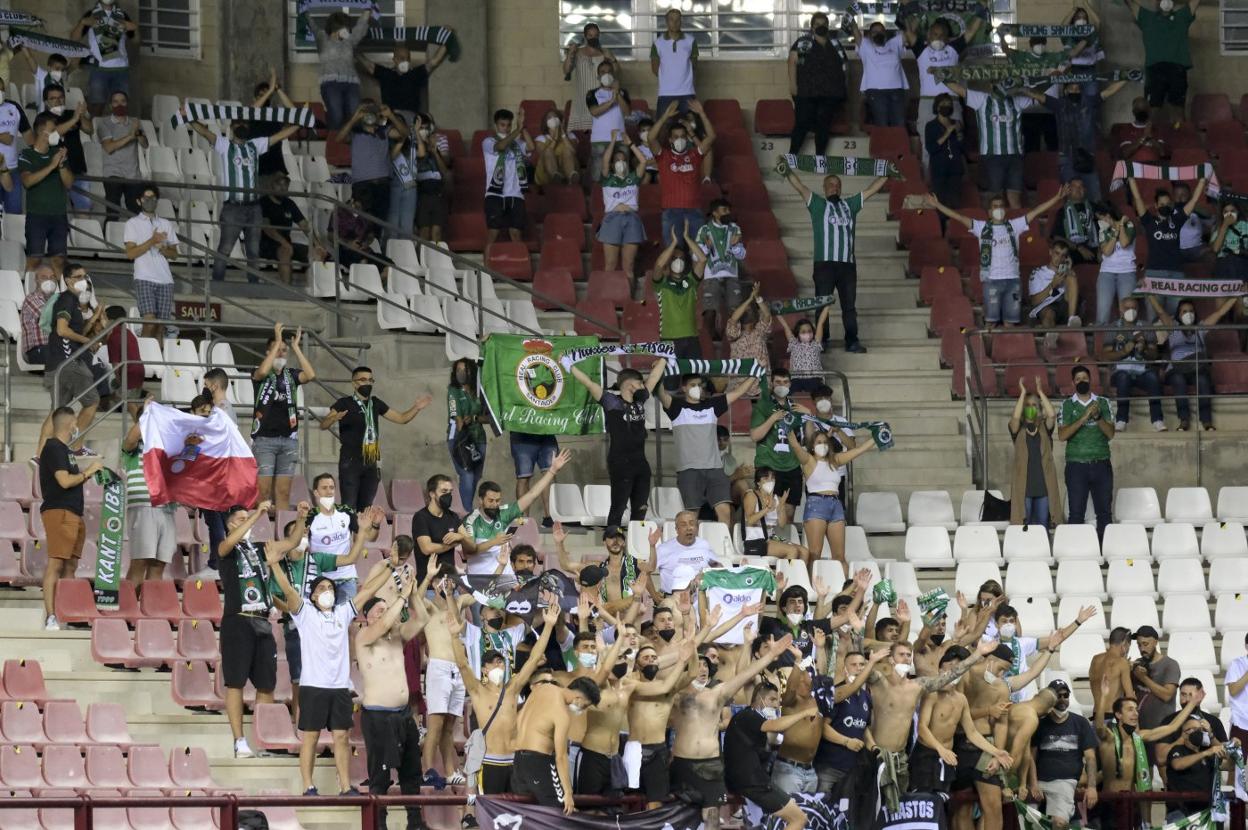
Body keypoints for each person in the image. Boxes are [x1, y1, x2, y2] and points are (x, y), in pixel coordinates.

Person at [266, 531, 389, 796]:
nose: (328, 592)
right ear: (312, 596)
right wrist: (274, 563)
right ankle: (308, 785)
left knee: (342, 737)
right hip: (313, 686)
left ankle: (345, 786)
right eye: (322, 589)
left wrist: (390, 565)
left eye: (331, 589)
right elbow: (287, 589)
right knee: (309, 737)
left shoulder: (344, 612)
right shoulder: (304, 613)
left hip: (339, 687)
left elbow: (368, 589)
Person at [674, 635, 794, 829]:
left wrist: (770, 655)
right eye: (697, 665)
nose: (702, 669)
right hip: (680, 762)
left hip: (710, 764)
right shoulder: (674, 694)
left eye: (706, 665)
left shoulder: (717, 694)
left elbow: (745, 675)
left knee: (711, 819)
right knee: (675, 816)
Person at [925, 186, 1069, 328]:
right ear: (989, 211)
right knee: (991, 322)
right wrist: (938, 205)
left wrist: (1057, 198)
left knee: (1010, 323)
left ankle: (1009, 350)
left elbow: (1037, 211)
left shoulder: (1015, 225)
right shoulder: (981, 227)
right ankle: (985, 351)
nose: (998, 209)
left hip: (1012, 281)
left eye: (1001, 206)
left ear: (1005, 210)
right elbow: (958, 217)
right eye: (995, 206)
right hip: (991, 281)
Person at [356, 560, 431, 830]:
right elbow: (385, 622)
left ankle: (415, 823)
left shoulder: (396, 635)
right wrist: (399, 597)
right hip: (378, 717)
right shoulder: (364, 636)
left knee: (412, 773)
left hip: (403, 715)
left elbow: (421, 619)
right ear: (369, 616)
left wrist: (412, 596)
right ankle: (378, 825)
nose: (385, 614)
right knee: (381, 777)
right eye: (379, 610)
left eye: (386, 610)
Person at [781, 165, 887, 353]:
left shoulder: (850, 205)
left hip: (847, 265)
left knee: (849, 306)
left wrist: (888, 173)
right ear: (824, 187)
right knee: (822, 304)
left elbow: (872, 189)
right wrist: (786, 170)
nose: (834, 187)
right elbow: (800, 186)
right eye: (830, 184)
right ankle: (823, 339)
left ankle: (852, 341)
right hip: (825, 265)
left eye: (837, 185)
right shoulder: (818, 204)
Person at [187, 112, 300, 283]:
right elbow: (204, 132)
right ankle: (217, 284)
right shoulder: (225, 145)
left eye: (245, 124)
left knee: (253, 251)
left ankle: (253, 286)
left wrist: (301, 123)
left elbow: (279, 136)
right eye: (238, 123)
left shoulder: (255, 145)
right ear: (231, 127)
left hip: (254, 207)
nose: (242, 126)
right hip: (233, 207)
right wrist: (188, 116)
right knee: (225, 249)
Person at [216, 501, 290, 758]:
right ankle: (239, 741)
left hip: (262, 620)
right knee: (235, 682)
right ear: (228, 524)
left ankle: (264, 740)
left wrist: (302, 520)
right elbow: (229, 542)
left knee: (266, 684)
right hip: (237, 620)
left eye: (247, 518)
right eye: (239, 519)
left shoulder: (258, 548)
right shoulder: (225, 547)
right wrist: (257, 514)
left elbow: (289, 544)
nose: (246, 523)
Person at [567, 361, 665, 527]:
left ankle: (636, 546)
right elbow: (589, 383)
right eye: (640, 383)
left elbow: (654, 377)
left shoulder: (640, 399)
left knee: (641, 510)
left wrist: (664, 356)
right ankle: (612, 542)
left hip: (641, 462)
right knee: (618, 508)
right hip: (620, 462)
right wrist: (569, 365)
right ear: (630, 384)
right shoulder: (612, 402)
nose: (643, 386)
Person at [321, 366, 432, 512]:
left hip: (370, 461)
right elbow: (324, 424)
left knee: (366, 508)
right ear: (354, 383)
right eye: (363, 380)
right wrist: (334, 417)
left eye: (370, 380)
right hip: (350, 461)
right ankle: (347, 534)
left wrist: (416, 408)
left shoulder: (376, 403)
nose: (367, 383)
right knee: (349, 506)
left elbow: (401, 418)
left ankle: (362, 535)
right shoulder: (344, 403)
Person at [1093, 679, 1198, 829]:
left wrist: (1192, 703)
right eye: (1130, 709)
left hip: (1132, 803)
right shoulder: (1109, 738)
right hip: (1110, 803)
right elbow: (1098, 725)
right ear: (1118, 715)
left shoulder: (1140, 737)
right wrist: (1103, 696)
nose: (1135, 714)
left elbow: (1172, 727)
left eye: (1136, 709)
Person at [911, 646, 1013, 796]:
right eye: (946, 671)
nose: (950, 676)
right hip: (927, 755)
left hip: (948, 756)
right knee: (924, 802)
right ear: (939, 672)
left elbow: (971, 732)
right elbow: (922, 728)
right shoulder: (932, 695)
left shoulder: (961, 700)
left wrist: (996, 751)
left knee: (942, 803)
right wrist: (940, 749)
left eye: (954, 672)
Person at [657, 375, 753, 526]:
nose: (697, 388)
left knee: (725, 511)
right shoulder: (677, 406)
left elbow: (739, 392)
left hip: (714, 469)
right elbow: (660, 393)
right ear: (683, 388)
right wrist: (660, 372)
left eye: (699, 385)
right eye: (692, 385)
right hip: (689, 470)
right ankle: (694, 548)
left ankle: (724, 548)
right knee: (692, 515)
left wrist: (754, 374)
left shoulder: (711, 405)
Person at [39, 406, 103, 631]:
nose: (78, 425)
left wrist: (89, 474)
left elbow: (70, 480)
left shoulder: (64, 451)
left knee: (70, 566)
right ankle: (51, 617)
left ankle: (69, 613)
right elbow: (64, 481)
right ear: (70, 424)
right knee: (56, 563)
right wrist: (88, 471)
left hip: (74, 512)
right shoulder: (54, 448)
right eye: (76, 421)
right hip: (59, 512)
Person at [463, 451, 570, 575]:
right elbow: (468, 552)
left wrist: (552, 471)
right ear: (480, 500)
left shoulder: (504, 513)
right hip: (480, 579)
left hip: (506, 578)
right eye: (490, 500)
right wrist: (494, 542)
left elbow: (532, 495)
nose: (495, 504)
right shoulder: (471, 520)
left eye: (498, 500)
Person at [37, 264, 103, 457]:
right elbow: (62, 330)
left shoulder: (71, 302)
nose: (84, 279)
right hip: (69, 363)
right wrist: (88, 341)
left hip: (56, 364)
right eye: (79, 276)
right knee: (92, 402)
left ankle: (40, 454)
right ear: (68, 280)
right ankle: (75, 448)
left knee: (56, 411)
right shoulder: (67, 299)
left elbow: (73, 333)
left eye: (85, 275)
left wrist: (92, 321)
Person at [1149, 295, 1239, 431]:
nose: (1188, 314)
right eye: (1184, 312)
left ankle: (1206, 421)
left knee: (1203, 380)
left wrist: (1236, 296)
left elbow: (1219, 312)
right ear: (1178, 315)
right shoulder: (1173, 327)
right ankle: (1184, 420)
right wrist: (1148, 293)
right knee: (1178, 380)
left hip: (1196, 368)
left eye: (1191, 311)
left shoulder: (1200, 328)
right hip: (1176, 369)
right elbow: (1161, 311)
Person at [251, 323, 315, 510]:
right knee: (262, 492)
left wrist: (296, 348)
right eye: (276, 350)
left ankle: (281, 533)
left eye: (284, 351)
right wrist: (278, 340)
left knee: (283, 492)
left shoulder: (291, 375)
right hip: (264, 440)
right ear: (268, 352)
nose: (281, 353)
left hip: (288, 440)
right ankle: (260, 532)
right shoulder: (260, 372)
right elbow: (262, 372)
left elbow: (311, 375)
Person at [943, 80, 1036, 209]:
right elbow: (960, 91)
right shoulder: (982, 99)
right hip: (993, 156)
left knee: (1015, 198)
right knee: (995, 197)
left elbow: (1040, 97)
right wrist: (942, 77)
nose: (1001, 87)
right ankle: (993, 226)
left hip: (1015, 156)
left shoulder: (1016, 100)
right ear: (990, 85)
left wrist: (1025, 89)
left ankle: (1017, 228)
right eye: (998, 83)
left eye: (1005, 83)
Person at [1128, 176, 1207, 316]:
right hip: (1154, 274)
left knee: (1175, 317)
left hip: (1176, 273)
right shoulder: (1148, 221)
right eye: (1162, 203)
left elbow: (1193, 201)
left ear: (1171, 205)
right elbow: (1138, 199)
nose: (1165, 206)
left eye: (1168, 203)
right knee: (1153, 318)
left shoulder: (1177, 220)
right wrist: (1132, 181)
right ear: (1156, 206)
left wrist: (1201, 181)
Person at [119, 399, 177, 585]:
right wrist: (148, 413)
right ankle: (129, 610)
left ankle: (150, 611)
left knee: (158, 565)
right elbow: (130, 439)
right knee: (140, 562)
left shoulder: (167, 450)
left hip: (167, 508)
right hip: (143, 507)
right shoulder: (133, 449)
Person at [1029, 680, 1099, 830]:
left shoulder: (1081, 722)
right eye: (1058, 696)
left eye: (1065, 695)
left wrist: (1092, 787)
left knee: (1059, 823)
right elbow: (1031, 757)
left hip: (1065, 783)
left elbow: (1091, 758)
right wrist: (1033, 783)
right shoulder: (1038, 723)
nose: (1062, 699)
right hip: (1038, 783)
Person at [912, 18, 980, 172]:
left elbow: (971, 31)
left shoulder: (953, 49)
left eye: (943, 35)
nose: (939, 37)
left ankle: (956, 179)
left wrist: (981, 11)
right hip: (928, 103)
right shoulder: (921, 50)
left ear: (948, 38)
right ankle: (930, 182)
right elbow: (908, 32)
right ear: (928, 36)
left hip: (952, 102)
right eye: (935, 34)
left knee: (955, 141)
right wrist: (908, 9)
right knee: (928, 144)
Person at [649, 99, 715, 247]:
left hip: (695, 213)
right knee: (675, 255)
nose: (680, 140)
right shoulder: (663, 156)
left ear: (687, 138)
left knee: (698, 254)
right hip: (672, 213)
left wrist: (702, 114)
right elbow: (651, 138)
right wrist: (665, 116)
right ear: (670, 140)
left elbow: (711, 138)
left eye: (682, 136)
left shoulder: (694, 155)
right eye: (676, 137)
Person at [1045, 80, 1127, 200]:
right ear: (1065, 90)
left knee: (1095, 198)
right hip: (1067, 158)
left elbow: (1109, 91)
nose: (1074, 91)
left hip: (1087, 157)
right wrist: (1023, 88)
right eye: (1071, 88)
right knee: (1071, 196)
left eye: (1077, 89)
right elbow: (1040, 97)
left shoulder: (1088, 102)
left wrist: (1126, 78)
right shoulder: (1059, 104)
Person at [1058, 364, 1114, 536]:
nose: (1082, 381)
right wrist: (1084, 417)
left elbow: (1110, 433)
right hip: (1076, 466)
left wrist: (1097, 417)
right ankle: (1077, 553)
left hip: (1101, 464)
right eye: (1078, 379)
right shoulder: (1067, 405)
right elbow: (1062, 435)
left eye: (1084, 378)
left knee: (1104, 514)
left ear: (1090, 380)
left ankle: (1104, 553)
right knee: (1076, 514)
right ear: (1073, 383)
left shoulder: (1103, 403)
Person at [1127, 0, 1199, 126]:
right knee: (1152, 110)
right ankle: (1151, 142)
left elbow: (1195, 3)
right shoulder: (1147, 17)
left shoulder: (1182, 15)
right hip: (1155, 70)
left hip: (1177, 69)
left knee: (1178, 112)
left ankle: (1181, 142)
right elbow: (1130, 4)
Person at [336, 100, 408, 228]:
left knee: (380, 223)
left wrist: (390, 115)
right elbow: (339, 138)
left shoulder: (384, 131)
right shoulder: (355, 133)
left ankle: (377, 247)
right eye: (365, 111)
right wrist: (355, 117)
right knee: (362, 224)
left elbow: (405, 134)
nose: (369, 114)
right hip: (363, 186)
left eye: (372, 111)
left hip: (383, 185)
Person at [1099, 297, 1166, 432]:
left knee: (1153, 377)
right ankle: (1121, 420)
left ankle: (1157, 420)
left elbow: (1154, 355)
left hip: (1142, 371)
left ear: (1138, 309)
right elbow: (1106, 356)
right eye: (1127, 308)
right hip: (1119, 372)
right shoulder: (1113, 327)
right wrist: (1125, 351)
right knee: (1123, 378)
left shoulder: (1146, 326)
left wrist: (1144, 349)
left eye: (1134, 308)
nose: (1131, 311)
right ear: (1121, 310)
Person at [787, 11, 849, 157]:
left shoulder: (835, 44)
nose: (821, 27)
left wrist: (845, 88)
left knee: (823, 126)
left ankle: (820, 158)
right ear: (812, 27)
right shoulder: (804, 42)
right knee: (801, 124)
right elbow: (792, 62)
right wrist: (793, 86)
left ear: (828, 26)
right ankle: (792, 156)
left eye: (824, 24)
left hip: (831, 94)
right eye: (817, 24)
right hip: (806, 93)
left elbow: (845, 66)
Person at [123, 184, 180, 339]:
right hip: (144, 278)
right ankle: (142, 358)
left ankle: (156, 361)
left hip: (165, 279)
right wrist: (151, 241)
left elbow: (175, 254)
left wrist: (162, 248)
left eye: (153, 198)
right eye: (146, 198)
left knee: (160, 327)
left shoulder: (165, 224)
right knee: (149, 322)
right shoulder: (132, 223)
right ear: (139, 201)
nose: (150, 201)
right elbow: (130, 253)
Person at [20, 112, 74, 276]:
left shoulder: (57, 152)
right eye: (53, 131)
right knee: (34, 260)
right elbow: (27, 181)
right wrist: (51, 166)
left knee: (59, 261)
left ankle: (61, 297)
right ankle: (27, 297)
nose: (56, 134)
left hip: (58, 215)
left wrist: (62, 164)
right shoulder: (26, 154)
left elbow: (69, 183)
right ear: (42, 133)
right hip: (36, 216)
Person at [652, 226, 705, 388]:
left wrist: (687, 238)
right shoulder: (661, 284)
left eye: (682, 258)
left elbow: (702, 259)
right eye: (675, 258)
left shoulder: (691, 282)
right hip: (669, 340)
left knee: (695, 381)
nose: (678, 261)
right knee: (671, 384)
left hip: (692, 338)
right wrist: (673, 243)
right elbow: (659, 265)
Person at [358, 36, 450, 125]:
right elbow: (368, 64)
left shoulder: (416, 74)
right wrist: (351, 47)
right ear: (394, 59)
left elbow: (435, 61)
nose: (405, 61)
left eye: (407, 58)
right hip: (391, 117)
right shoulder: (386, 74)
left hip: (410, 118)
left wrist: (446, 37)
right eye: (402, 58)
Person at [1007, 377, 1061, 528]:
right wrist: (1022, 393)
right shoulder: (1017, 430)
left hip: (1044, 486)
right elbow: (1015, 417)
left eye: (1034, 405)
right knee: (1024, 526)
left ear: (1039, 409)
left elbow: (1052, 415)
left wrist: (1040, 392)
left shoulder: (1045, 428)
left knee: (1043, 526)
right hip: (1024, 487)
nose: (1031, 408)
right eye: (1027, 406)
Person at [71, 0, 136, 117]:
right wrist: (83, 22)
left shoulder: (122, 15)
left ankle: (121, 133)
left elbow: (136, 40)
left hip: (121, 68)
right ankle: (94, 132)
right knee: (96, 105)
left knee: (121, 107)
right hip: (99, 68)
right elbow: (74, 38)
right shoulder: (91, 14)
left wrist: (134, 27)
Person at [596, 131, 648, 277]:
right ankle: (608, 298)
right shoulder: (607, 178)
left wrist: (630, 144)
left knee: (628, 266)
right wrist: (613, 141)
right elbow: (605, 161)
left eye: (623, 160)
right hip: (612, 219)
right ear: (613, 164)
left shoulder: (633, 177)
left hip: (631, 219)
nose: (621, 163)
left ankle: (629, 299)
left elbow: (643, 161)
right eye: (617, 160)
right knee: (610, 265)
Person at [1129, 624, 1182, 768]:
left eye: (1145, 644)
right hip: (1141, 729)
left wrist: (1144, 678)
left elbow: (1167, 695)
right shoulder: (1137, 665)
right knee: (1143, 776)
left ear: (1156, 642)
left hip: (1163, 729)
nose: (1142, 649)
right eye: (1139, 645)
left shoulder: (1170, 664)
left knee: (1165, 772)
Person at [696, 198, 748, 340]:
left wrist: (735, 246)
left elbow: (742, 255)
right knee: (710, 311)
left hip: (732, 274)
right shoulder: (704, 230)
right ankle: (710, 339)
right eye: (724, 210)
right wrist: (706, 247)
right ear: (715, 213)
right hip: (711, 276)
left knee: (735, 309)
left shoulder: (735, 229)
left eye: (728, 210)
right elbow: (696, 257)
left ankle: (735, 338)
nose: (728, 213)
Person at [1160, 716, 1230, 820]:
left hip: (1205, 812)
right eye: (1193, 729)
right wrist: (1206, 753)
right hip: (1181, 812)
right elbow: (1178, 764)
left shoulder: (1208, 752)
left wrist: (1211, 736)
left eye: (1200, 729)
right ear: (1184, 734)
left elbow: (1229, 764)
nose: (1198, 732)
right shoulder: (1177, 749)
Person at [313, 9, 371, 129]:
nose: (347, 30)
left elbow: (360, 28)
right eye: (344, 27)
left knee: (355, 116)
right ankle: (334, 144)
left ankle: (353, 145)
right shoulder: (322, 38)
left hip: (351, 83)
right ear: (335, 27)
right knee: (337, 116)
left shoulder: (349, 41)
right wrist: (304, 13)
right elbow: (311, 25)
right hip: (330, 84)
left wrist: (368, 10)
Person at [261, 174, 324, 284]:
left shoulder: (289, 203)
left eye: (285, 184)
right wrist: (284, 243)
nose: (282, 187)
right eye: (279, 184)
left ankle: (311, 290)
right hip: (266, 244)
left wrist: (317, 244)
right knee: (285, 252)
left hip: (287, 244)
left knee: (316, 253)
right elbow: (267, 228)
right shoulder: (263, 202)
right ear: (271, 186)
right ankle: (288, 291)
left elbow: (304, 225)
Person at [482, 107, 531, 246]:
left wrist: (523, 128)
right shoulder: (488, 142)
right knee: (493, 234)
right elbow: (501, 146)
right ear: (496, 125)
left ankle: (518, 266)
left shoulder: (517, 143)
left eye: (509, 125)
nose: (506, 128)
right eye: (502, 125)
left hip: (516, 193)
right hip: (494, 193)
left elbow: (532, 147)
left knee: (516, 235)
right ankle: (486, 268)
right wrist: (517, 130)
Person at [847, 18, 907, 127]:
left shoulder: (894, 43)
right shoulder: (865, 46)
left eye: (881, 31)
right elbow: (855, 30)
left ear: (885, 33)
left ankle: (896, 144)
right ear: (869, 35)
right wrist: (851, 14)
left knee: (899, 124)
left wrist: (906, 13)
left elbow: (909, 32)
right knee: (882, 123)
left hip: (897, 90)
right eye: (874, 32)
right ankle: (884, 144)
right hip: (875, 92)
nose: (878, 33)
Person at [93, 90, 144, 218]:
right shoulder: (104, 123)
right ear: (110, 105)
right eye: (115, 102)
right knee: (112, 213)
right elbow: (109, 147)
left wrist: (138, 133)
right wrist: (130, 136)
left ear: (127, 104)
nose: (119, 104)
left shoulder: (134, 122)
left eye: (123, 101)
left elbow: (145, 144)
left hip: (133, 174)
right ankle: (108, 237)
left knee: (135, 212)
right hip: (113, 174)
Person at [410, 474, 466, 585]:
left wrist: (460, 536)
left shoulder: (453, 516)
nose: (448, 495)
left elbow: (468, 538)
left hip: (449, 584)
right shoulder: (421, 517)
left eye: (450, 492)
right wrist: (452, 544)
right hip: (428, 586)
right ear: (432, 494)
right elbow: (427, 548)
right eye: (444, 491)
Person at [43, 86, 92, 213]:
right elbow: (53, 133)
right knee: (56, 212)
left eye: (60, 97)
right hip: (53, 173)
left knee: (83, 210)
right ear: (46, 102)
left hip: (77, 169)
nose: (58, 101)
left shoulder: (72, 113)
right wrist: (74, 120)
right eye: (53, 98)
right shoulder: (42, 118)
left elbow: (89, 129)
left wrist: (80, 115)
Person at [447, 358, 487, 511]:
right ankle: (467, 512)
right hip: (459, 438)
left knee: (476, 476)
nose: (461, 374)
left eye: (464, 370)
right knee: (467, 475)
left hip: (479, 438)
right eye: (458, 370)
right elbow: (456, 416)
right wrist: (462, 422)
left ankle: (466, 508)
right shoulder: (453, 390)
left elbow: (489, 418)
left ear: (472, 372)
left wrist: (475, 418)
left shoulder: (479, 392)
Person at [565, 21, 618, 133]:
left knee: (601, 130)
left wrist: (612, 59)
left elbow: (617, 73)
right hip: (582, 98)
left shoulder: (605, 52)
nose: (593, 38)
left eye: (596, 35)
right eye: (590, 35)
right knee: (583, 135)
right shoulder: (578, 53)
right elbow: (566, 70)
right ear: (585, 36)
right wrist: (570, 53)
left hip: (601, 98)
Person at [1094, 202, 1140, 324]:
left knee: (1128, 314)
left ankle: (1126, 341)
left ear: (1108, 215)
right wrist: (1115, 233)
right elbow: (1107, 252)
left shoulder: (1128, 225)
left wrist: (1120, 226)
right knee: (1102, 313)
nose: (1101, 221)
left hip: (1127, 272)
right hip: (1106, 273)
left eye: (1102, 218)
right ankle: (1102, 342)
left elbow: (1124, 243)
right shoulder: (1103, 231)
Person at [650, 8, 698, 116]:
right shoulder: (657, 43)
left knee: (691, 126)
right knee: (664, 127)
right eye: (671, 19)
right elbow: (654, 69)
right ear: (667, 22)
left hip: (687, 92)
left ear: (681, 21)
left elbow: (694, 65)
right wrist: (669, 79)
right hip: (666, 93)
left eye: (678, 20)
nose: (675, 23)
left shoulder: (691, 41)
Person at [1027, 240, 1080, 337]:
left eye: (1063, 255)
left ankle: (1071, 319)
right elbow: (1034, 301)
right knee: (1049, 313)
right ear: (1050, 252)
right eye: (1057, 253)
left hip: (1064, 306)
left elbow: (1071, 293)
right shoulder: (1038, 272)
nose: (1059, 258)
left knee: (1072, 277)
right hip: (1047, 308)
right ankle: (1050, 337)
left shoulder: (1066, 272)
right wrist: (1053, 284)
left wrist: (1069, 269)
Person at [925, 93, 965, 219]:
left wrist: (959, 134)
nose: (947, 107)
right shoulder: (931, 126)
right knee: (940, 205)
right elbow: (931, 148)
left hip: (955, 169)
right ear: (937, 107)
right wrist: (947, 133)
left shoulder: (957, 123)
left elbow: (963, 147)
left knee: (955, 204)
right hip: (939, 170)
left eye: (949, 105)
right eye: (944, 105)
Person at [727, 285, 771, 397]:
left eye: (750, 309)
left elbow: (766, 315)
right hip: (739, 387)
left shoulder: (760, 331)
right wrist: (749, 299)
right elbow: (733, 319)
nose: (748, 311)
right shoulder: (734, 333)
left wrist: (757, 298)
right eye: (744, 309)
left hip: (760, 387)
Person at [414, 113, 452, 243]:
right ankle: (422, 261)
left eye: (426, 127)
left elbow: (445, 168)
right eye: (421, 127)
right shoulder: (413, 142)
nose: (424, 130)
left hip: (437, 190)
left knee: (437, 232)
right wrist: (420, 140)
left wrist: (435, 151)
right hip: (421, 191)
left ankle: (438, 260)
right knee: (424, 231)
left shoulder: (439, 140)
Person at [509, 432, 560, 528]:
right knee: (523, 477)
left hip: (546, 431)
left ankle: (548, 518)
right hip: (522, 433)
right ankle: (522, 520)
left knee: (550, 473)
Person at [1050, 179, 1101, 267]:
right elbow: (1057, 237)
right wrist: (1079, 248)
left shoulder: (1094, 207)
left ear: (1085, 190)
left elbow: (1108, 227)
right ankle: (1062, 279)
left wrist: (1102, 249)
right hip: (1072, 251)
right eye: (1075, 186)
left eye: (1081, 186)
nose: (1078, 189)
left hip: (1095, 249)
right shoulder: (1062, 212)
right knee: (1062, 260)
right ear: (1069, 190)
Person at [779, 311, 830, 394]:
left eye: (809, 331)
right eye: (803, 332)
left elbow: (821, 323)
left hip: (814, 378)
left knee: (819, 393)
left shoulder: (815, 343)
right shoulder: (794, 343)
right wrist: (777, 312)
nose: (807, 334)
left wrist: (827, 306)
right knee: (788, 394)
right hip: (796, 378)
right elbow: (785, 326)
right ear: (797, 333)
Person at [0, 87, 30, 216]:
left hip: (12, 169)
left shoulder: (14, 107)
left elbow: (29, 137)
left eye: (1, 88)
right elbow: (6, 139)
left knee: (14, 215)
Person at [19, 266, 57, 366]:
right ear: (36, 280)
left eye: (52, 277)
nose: (49, 280)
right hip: (37, 349)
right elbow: (49, 318)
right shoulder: (31, 299)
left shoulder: (59, 300)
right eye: (44, 277)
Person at [532, 108, 579, 187]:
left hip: (567, 168)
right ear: (545, 123)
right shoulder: (541, 138)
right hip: (547, 174)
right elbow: (543, 155)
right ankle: (555, 178)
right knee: (548, 151)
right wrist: (555, 138)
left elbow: (573, 151)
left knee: (567, 151)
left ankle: (571, 179)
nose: (552, 119)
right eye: (549, 118)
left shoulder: (570, 136)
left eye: (555, 117)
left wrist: (563, 134)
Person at [1213, 199, 1248, 281]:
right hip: (1223, 262)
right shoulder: (1220, 228)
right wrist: (1225, 225)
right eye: (1226, 212)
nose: (1229, 214)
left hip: (1241, 261)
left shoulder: (1245, 225)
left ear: (1238, 212)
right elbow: (1215, 249)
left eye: (1232, 211)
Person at [1226, 632, 1248, 747]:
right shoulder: (1236, 664)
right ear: (1246, 646)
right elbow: (1233, 690)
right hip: (1241, 721)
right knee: (1236, 763)